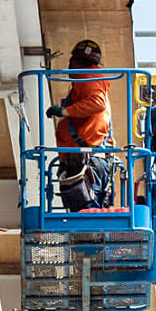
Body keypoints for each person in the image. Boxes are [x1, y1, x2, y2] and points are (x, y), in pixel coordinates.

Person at [47, 38, 115, 211]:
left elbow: (97, 103)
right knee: (90, 221)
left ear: (77, 61)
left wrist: (65, 112)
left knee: (86, 221)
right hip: (87, 161)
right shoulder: (88, 81)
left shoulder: (88, 76)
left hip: (86, 161)